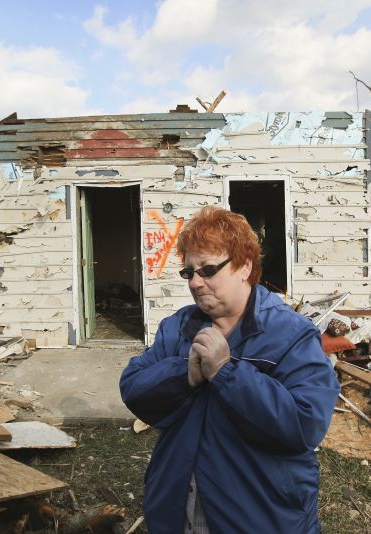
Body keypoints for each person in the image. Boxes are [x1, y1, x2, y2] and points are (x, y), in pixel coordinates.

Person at [120, 206, 340, 533]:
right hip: (177, 509)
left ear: (244, 267)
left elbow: (305, 425)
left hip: (259, 516)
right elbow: (134, 389)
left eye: (207, 270)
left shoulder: (291, 335)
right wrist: (187, 375)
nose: (195, 282)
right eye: (188, 272)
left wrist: (226, 372)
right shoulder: (178, 327)